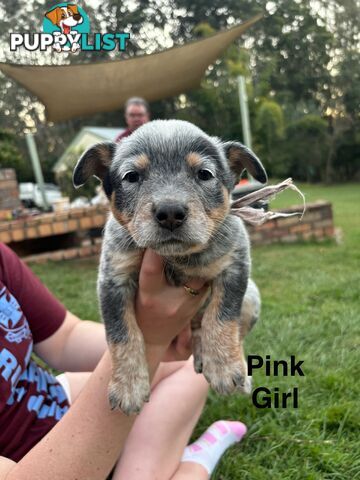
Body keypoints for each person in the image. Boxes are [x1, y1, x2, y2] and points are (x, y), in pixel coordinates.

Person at [0, 243, 247, 480]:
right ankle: (194, 464)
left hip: (49, 400)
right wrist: (148, 344)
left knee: (194, 362)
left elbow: (65, 338)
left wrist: (152, 338)